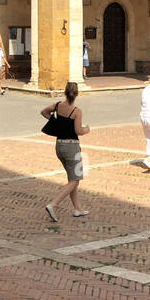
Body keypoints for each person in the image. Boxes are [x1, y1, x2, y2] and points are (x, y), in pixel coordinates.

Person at [43, 81, 91, 222]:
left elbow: (43, 111)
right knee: (75, 179)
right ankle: (53, 204)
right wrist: (86, 129)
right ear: (76, 94)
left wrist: (54, 121)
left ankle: (78, 209)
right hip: (72, 147)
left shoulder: (58, 106)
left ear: (65, 92)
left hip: (59, 146)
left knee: (71, 178)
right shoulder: (76, 111)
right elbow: (78, 131)